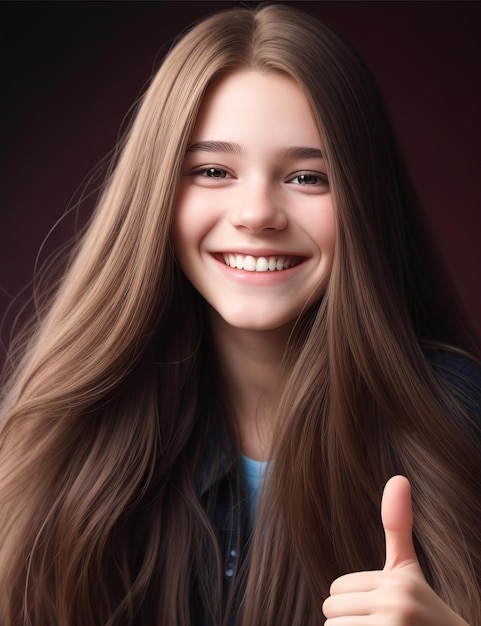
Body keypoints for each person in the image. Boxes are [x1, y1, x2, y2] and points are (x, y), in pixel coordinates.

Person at [0, 4, 480, 625]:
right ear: (157, 194)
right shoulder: (78, 431)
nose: (257, 213)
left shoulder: (455, 417)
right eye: (213, 170)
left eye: (308, 177)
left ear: (364, 202)